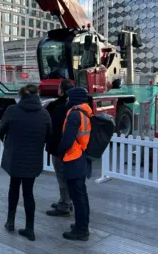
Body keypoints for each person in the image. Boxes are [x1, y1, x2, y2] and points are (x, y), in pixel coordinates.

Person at [0, 84, 52, 241]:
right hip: (33, 160)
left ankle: (10, 222)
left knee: (13, 187)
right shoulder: (44, 114)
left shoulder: (12, 111)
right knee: (28, 192)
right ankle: (30, 229)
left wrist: (6, 141)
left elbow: (1, 130)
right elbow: (50, 136)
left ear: (21, 96)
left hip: (14, 158)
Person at [57, 87, 92, 241]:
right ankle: (82, 224)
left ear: (75, 99)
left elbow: (67, 139)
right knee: (82, 195)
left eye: (69, 97)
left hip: (73, 158)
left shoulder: (74, 115)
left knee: (77, 196)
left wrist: (60, 151)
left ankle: (81, 230)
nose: (67, 100)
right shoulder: (85, 112)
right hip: (81, 157)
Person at [45, 79, 74, 217]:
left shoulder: (58, 108)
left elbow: (54, 130)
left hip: (59, 148)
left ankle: (64, 205)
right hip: (71, 148)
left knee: (62, 176)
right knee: (67, 176)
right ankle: (67, 200)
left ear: (61, 90)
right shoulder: (73, 106)